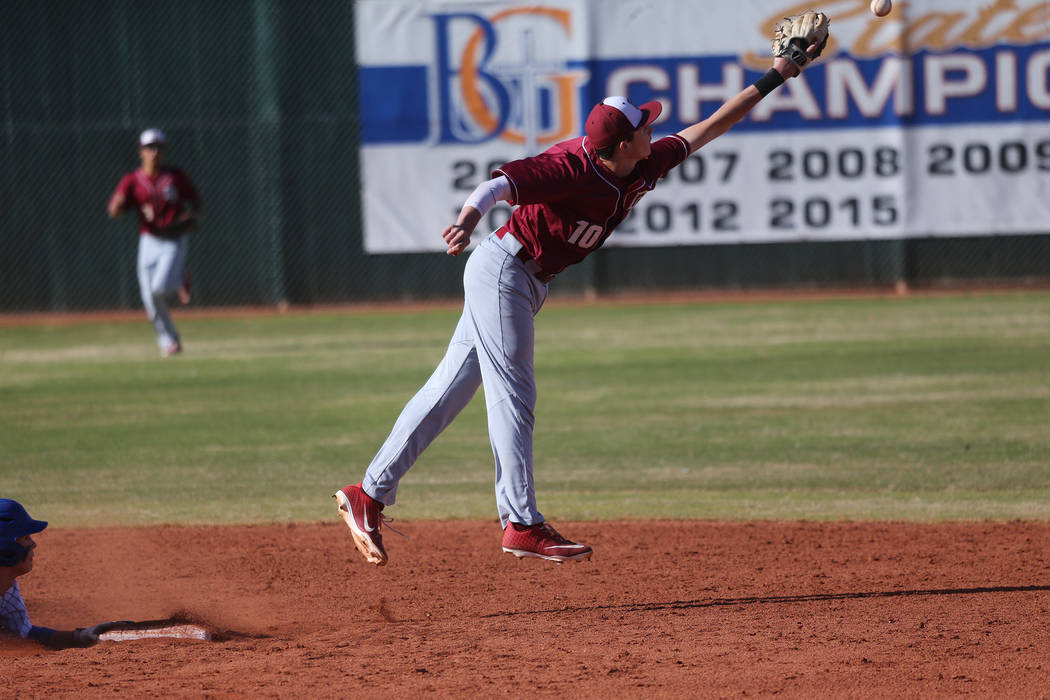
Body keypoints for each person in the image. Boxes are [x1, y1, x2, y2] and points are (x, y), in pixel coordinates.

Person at [334, 39, 824, 566]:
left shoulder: (642, 163)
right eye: (643, 125)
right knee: (514, 391)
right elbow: (496, 185)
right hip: (503, 270)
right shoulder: (570, 167)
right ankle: (520, 521)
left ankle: (369, 494)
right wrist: (468, 220)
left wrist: (779, 74)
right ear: (617, 146)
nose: (652, 127)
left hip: (525, 280)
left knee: (447, 391)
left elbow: (709, 127)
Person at [107, 129, 201, 357]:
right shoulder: (133, 180)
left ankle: (180, 276)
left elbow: (195, 202)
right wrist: (117, 206)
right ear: (141, 151)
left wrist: (190, 218)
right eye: (150, 147)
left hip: (173, 240)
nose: (154, 152)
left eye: (158, 147)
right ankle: (169, 341)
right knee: (149, 297)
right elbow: (114, 209)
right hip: (149, 240)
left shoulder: (175, 177)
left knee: (159, 288)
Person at [1, 499, 127, 649]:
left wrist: (80, 637)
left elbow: (24, 634)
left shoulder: (7, 585)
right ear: (6, 547)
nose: (34, 544)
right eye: (26, 538)